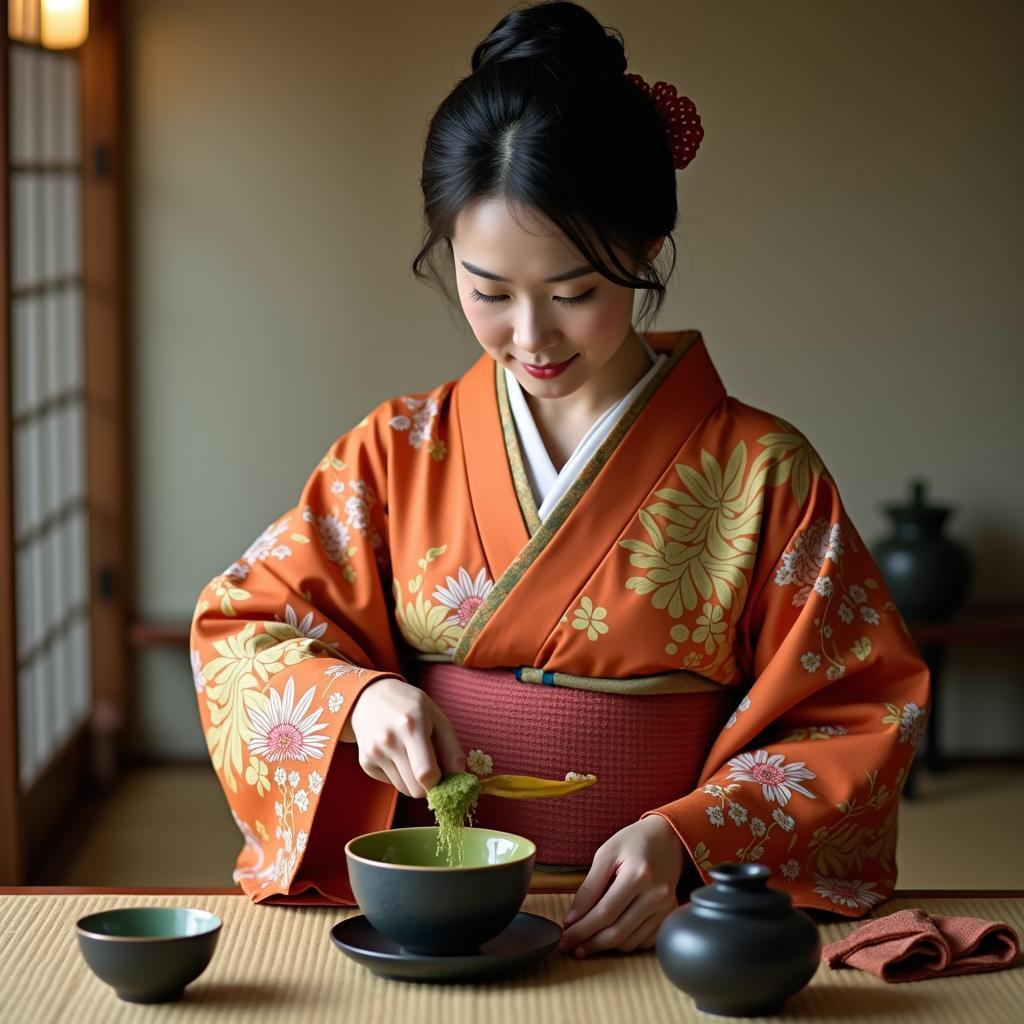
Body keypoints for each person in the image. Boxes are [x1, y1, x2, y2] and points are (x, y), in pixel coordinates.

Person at [190, 1, 930, 959]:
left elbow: (860, 715)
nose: (530, 338)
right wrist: (358, 698)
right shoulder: (395, 450)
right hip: (437, 901)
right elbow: (242, 631)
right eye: (488, 292)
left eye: (575, 293)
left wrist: (686, 841)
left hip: (659, 913)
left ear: (645, 249)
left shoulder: (760, 472)